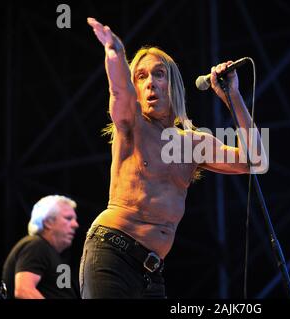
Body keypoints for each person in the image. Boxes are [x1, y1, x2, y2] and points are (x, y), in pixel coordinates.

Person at [80, 17, 268, 299]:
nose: (150, 84)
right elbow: (118, 90)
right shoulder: (132, 126)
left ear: (173, 85)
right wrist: (115, 54)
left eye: (158, 74)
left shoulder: (193, 143)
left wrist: (233, 96)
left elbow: (256, 160)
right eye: (140, 77)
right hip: (112, 252)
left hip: (151, 271)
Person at [1, 195, 80, 299]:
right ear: (48, 222)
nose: (76, 225)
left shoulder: (51, 253)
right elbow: (24, 291)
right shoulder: (36, 245)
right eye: (68, 218)